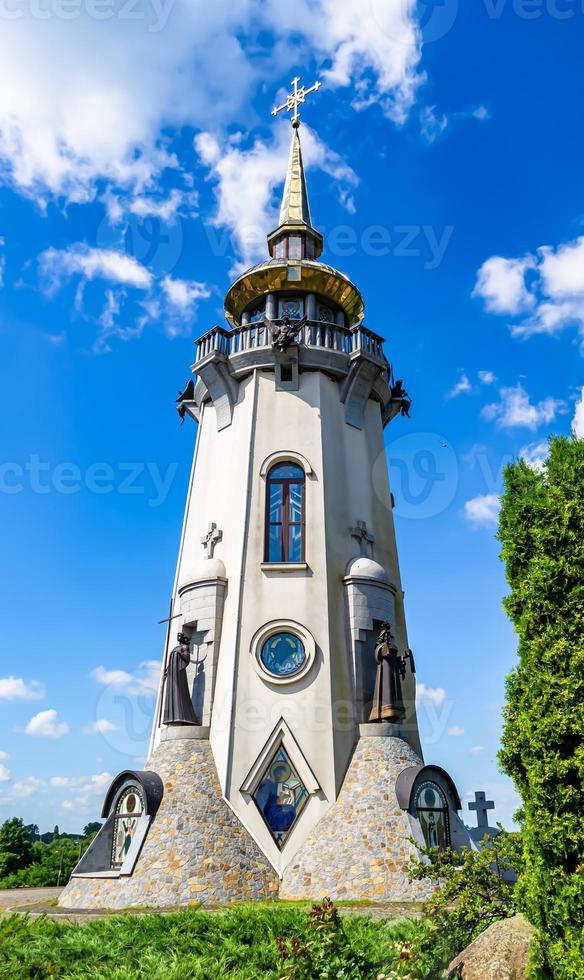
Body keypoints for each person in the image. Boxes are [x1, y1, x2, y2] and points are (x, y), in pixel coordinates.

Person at [163, 632, 199, 725]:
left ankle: (180, 716)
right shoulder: (178, 648)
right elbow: (174, 662)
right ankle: (174, 717)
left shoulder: (180, 648)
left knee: (178, 692)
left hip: (177, 673)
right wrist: (167, 672)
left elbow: (186, 659)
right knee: (173, 693)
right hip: (173, 673)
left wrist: (176, 668)